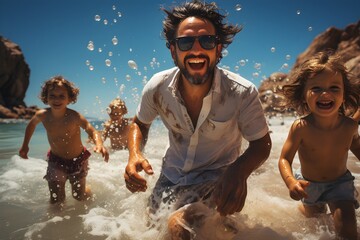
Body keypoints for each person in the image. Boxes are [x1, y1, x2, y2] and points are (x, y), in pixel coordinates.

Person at [124, 1, 271, 239]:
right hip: (170, 175)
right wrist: (134, 155)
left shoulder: (242, 92)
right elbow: (139, 123)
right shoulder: (157, 87)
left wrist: (239, 171)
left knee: (178, 227)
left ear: (218, 48)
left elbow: (261, 144)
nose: (196, 49)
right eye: (185, 42)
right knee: (151, 229)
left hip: (217, 178)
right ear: (173, 50)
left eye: (207, 41)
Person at [278, 51, 360, 240]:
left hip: (340, 184)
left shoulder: (349, 126)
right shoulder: (301, 127)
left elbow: (355, 145)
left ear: (344, 94)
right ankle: (304, 208)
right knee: (314, 224)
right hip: (309, 184)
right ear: (303, 94)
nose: (325, 94)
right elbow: (284, 158)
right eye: (316, 88)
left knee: (347, 228)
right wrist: (291, 182)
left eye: (334, 88)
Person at [19, 76, 109, 204]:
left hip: (77, 160)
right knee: (56, 199)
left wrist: (99, 144)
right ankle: (54, 222)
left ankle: (87, 192)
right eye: (52, 95)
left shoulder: (74, 116)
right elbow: (31, 125)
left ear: (70, 98)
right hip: (56, 161)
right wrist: (25, 146)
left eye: (62, 96)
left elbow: (91, 130)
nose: (57, 99)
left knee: (79, 196)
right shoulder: (42, 115)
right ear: (46, 97)